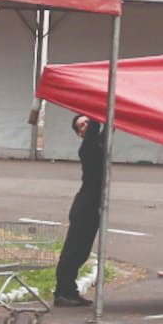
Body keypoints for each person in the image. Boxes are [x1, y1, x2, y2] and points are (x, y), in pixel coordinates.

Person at [54, 112, 106, 307]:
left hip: (94, 207)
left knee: (83, 252)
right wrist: (93, 107)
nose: (86, 125)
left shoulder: (100, 144)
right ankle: (62, 292)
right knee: (72, 252)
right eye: (81, 125)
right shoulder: (87, 148)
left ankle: (70, 291)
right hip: (84, 206)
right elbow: (95, 126)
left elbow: (107, 127)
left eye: (86, 122)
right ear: (80, 134)